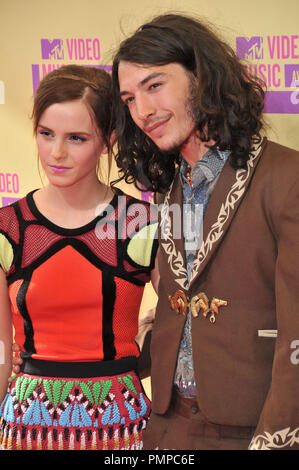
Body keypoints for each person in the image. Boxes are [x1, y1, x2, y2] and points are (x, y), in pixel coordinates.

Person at [110, 13, 299, 450]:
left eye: (155, 85)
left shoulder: (287, 178)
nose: (142, 111)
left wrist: (274, 440)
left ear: (203, 76)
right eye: (129, 98)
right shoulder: (169, 188)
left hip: (251, 428)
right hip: (165, 424)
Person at [0, 64, 159, 450]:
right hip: (26, 424)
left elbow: (188, 324)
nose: (56, 153)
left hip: (122, 425)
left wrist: (144, 346)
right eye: (46, 134)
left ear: (109, 139)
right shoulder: (8, 227)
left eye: (76, 138)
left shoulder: (142, 222)